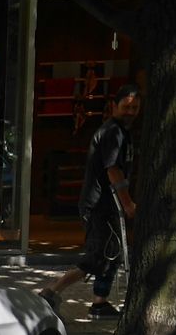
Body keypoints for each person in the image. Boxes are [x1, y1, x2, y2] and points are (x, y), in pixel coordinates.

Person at [39, 84, 142, 318]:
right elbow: (113, 169)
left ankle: (99, 303)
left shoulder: (122, 132)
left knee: (111, 253)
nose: (131, 112)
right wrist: (128, 203)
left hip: (107, 204)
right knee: (98, 255)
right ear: (114, 106)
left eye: (135, 108)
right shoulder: (112, 132)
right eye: (126, 107)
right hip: (99, 204)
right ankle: (51, 291)